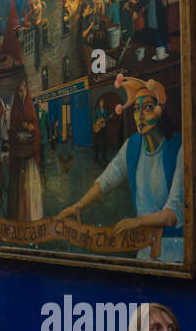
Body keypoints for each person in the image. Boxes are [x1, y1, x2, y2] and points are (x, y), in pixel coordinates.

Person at [55, 74, 183, 264]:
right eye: (136, 109)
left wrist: (136, 222)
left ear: (159, 110)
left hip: (175, 250)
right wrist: (78, 205)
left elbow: (174, 212)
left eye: (147, 108)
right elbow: (108, 178)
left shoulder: (179, 146)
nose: (139, 115)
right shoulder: (133, 145)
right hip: (144, 249)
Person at [7, 77, 43, 222]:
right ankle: (19, 215)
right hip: (18, 154)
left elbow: (36, 128)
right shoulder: (15, 108)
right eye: (20, 92)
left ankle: (31, 215)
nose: (22, 95)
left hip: (29, 154)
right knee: (19, 186)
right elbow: (12, 129)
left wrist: (30, 127)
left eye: (24, 92)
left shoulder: (30, 107)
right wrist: (18, 129)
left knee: (29, 184)